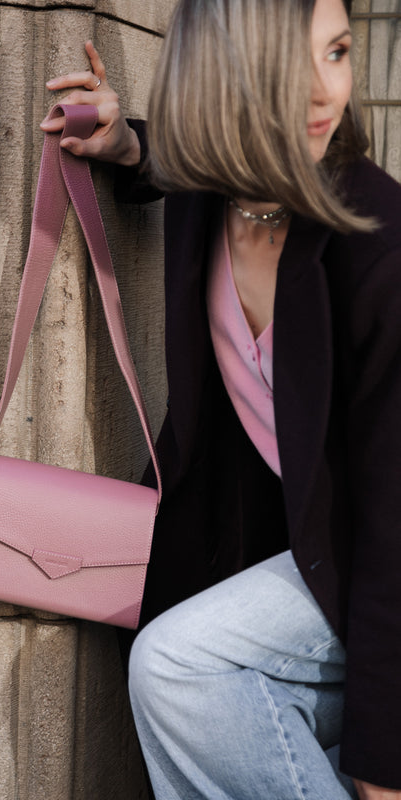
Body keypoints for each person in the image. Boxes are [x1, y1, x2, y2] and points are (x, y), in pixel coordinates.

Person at [41, 0, 401, 797]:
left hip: (374, 563)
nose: (321, 91)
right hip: (299, 551)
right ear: (222, 77)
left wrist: (383, 770)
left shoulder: (379, 251)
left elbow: (391, 525)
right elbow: (174, 159)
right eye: (286, 63)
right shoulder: (214, 192)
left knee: (178, 666)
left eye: (336, 53)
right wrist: (124, 141)